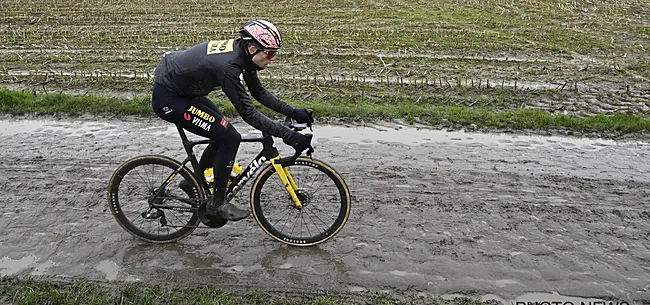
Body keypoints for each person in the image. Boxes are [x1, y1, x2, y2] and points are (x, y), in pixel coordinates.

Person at [151, 19, 314, 221]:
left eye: (275, 53)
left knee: (221, 130)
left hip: (184, 90)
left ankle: (192, 182)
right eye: (270, 53)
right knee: (230, 137)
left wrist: (294, 112)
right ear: (253, 48)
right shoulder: (229, 67)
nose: (272, 58)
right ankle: (217, 204)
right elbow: (249, 113)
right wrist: (287, 134)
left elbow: (258, 92)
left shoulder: (245, 55)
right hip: (169, 98)